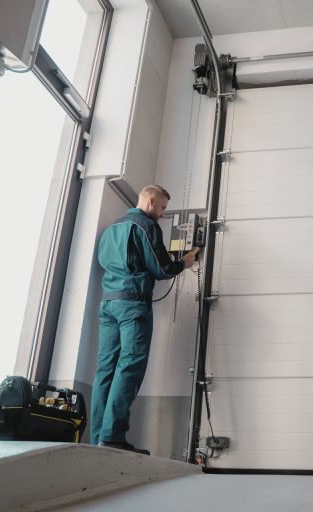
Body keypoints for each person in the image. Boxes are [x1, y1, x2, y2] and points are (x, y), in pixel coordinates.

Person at [91, 184, 199, 454]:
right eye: (162, 207)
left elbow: (106, 261)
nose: (162, 214)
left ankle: (97, 440)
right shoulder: (145, 227)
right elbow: (162, 268)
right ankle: (113, 436)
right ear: (150, 201)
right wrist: (184, 262)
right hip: (132, 307)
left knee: (105, 370)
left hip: (108, 304)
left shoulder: (112, 228)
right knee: (129, 367)